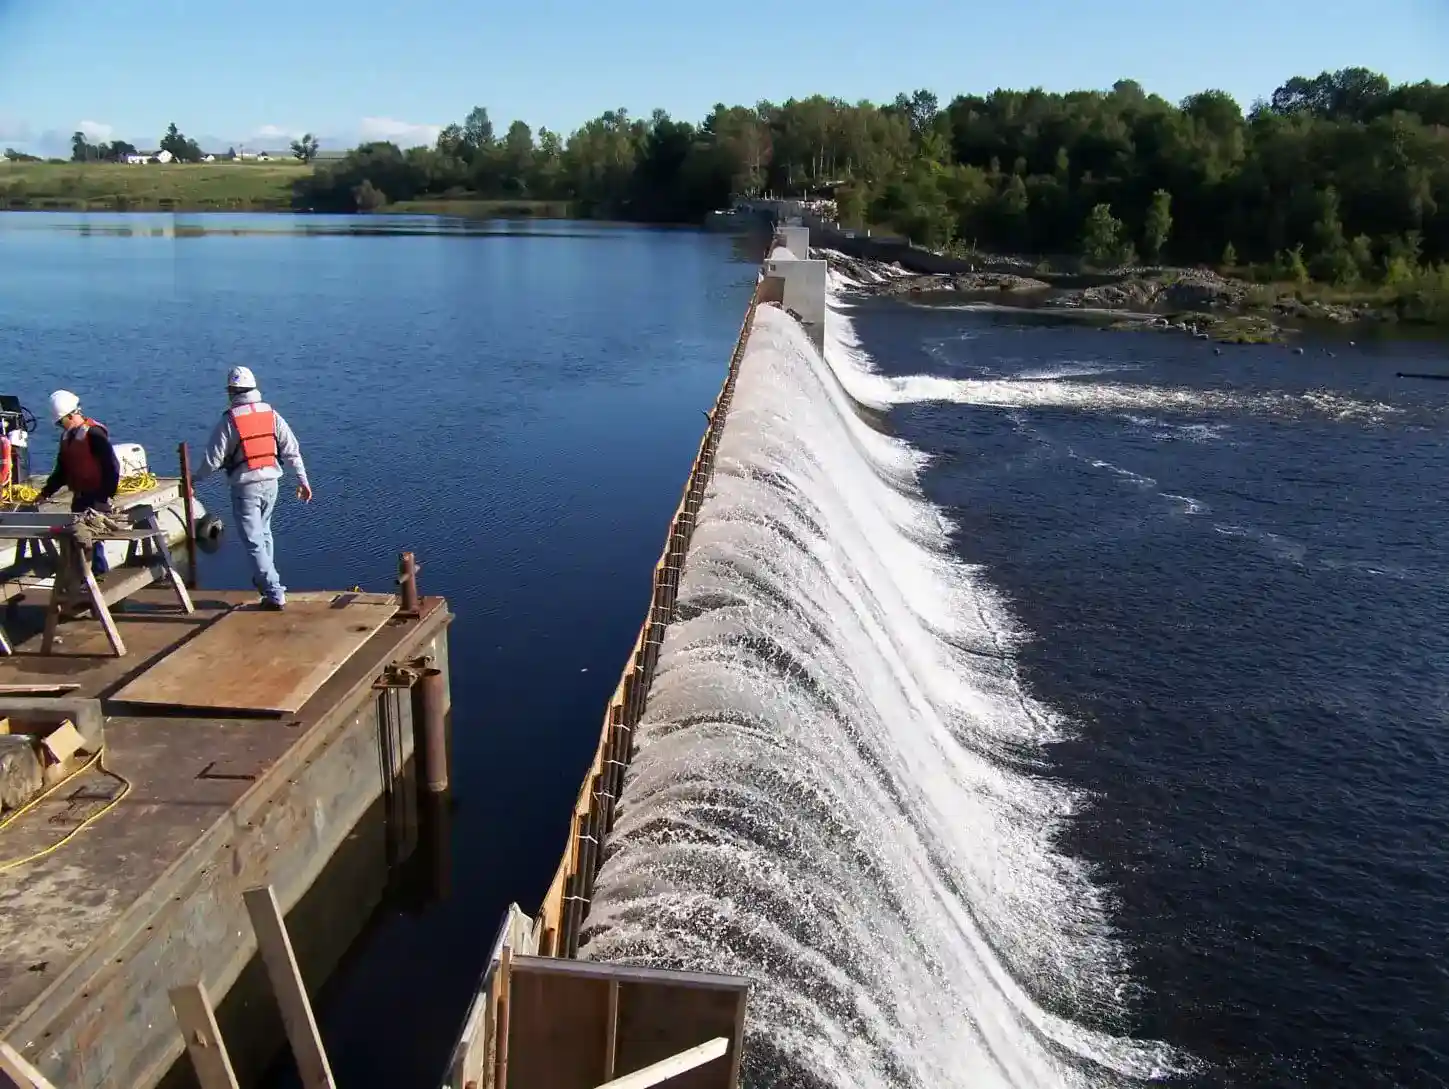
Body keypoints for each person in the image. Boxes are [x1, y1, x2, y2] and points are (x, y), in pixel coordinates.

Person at [191, 366, 312, 610]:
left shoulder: (230, 420)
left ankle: (274, 590)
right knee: (264, 533)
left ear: (232, 392)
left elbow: (213, 460)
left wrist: (193, 480)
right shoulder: (271, 414)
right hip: (271, 484)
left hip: (246, 487)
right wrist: (303, 480)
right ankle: (264, 582)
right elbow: (291, 449)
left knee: (253, 540)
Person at [35, 389, 121, 575]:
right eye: (58, 423)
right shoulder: (67, 437)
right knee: (78, 542)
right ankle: (84, 581)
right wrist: (46, 492)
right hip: (79, 498)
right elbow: (62, 470)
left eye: (62, 422)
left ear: (73, 414)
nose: (61, 426)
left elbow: (112, 467)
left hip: (96, 497)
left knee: (92, 543)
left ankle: (98, 581)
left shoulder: (95, 434)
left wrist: (106, 496)